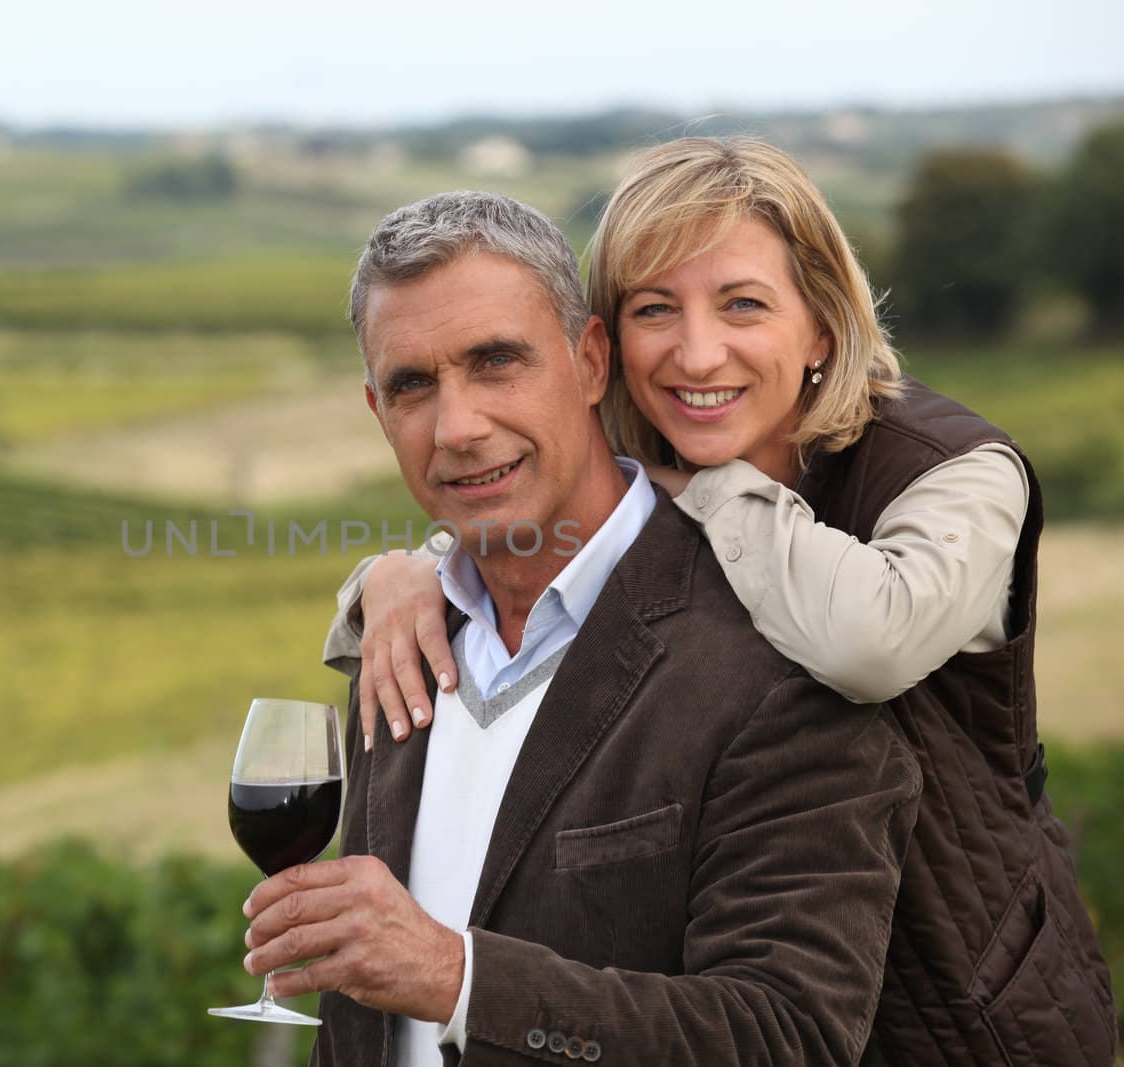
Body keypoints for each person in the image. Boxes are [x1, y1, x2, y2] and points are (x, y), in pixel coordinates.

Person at [325, 138, 1117, 1064]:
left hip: (965, 1008)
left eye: (743, 303)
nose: (698, 351)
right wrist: (397, 576)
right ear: (614, 346)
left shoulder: (937, 481)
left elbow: (869, 640)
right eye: (657, 309)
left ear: (821, 323)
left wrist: (457, 977)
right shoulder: (420, 642)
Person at [241, 189, 921, 1066]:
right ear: (379, 411)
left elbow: (786, 1034)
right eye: (413, 385)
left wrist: (458, 979)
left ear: (591, 361)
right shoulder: (400, 643)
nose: (457, 427)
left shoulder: (773, 660)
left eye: (496, 363)